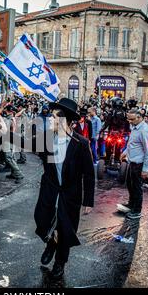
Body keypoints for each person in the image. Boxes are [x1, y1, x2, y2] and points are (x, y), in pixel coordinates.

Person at [35, 98, 94, 279]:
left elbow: (89, 174)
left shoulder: (81, 143)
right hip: (50, 191)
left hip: (70, 195)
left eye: (53, 117)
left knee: (66, 228)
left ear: (64, 120)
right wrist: (2, 134)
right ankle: (51, 243)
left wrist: (88, 201)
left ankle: (60, 262)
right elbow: (25, 142)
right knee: (43, 220)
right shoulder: (46, 139)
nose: (50, 120)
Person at [118, 109, 148, 219]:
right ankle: (131, 204)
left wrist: (145, 169)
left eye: (132, 119)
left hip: (139, 164)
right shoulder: (134, 127)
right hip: (131, 161)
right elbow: (131, 144)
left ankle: (137, 211)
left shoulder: (144, 130)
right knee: (130, 184)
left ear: (139, 117)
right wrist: (124, 153)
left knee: (137, 187)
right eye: (128, 119)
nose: (130, 121)